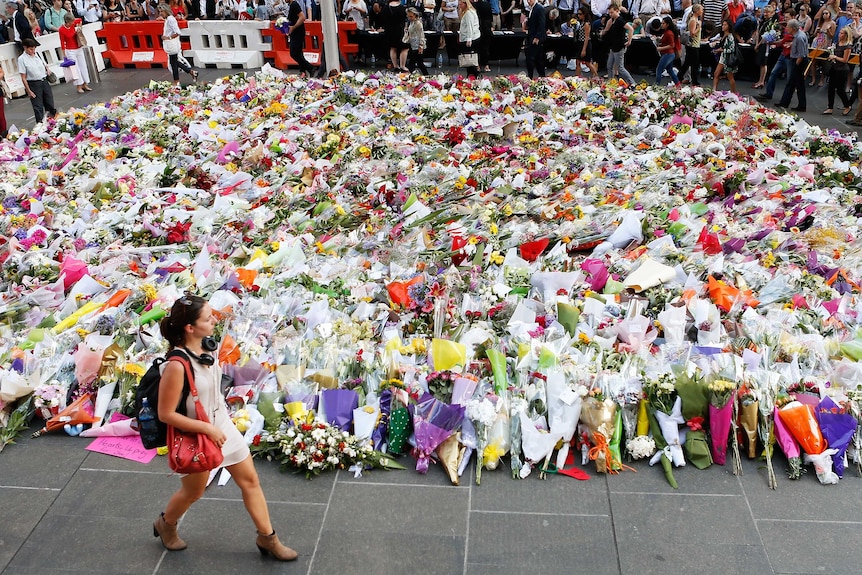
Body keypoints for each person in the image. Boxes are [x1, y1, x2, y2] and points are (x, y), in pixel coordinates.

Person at [152, 294, 297, 562]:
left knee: (250, 481)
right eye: (208, 318)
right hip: (198, 435)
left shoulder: (208, 348)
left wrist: (220, 424)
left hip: (221, 427)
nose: (214, 321)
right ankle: (166, 524)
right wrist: (207, 430)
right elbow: (166, 413)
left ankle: (268, 538)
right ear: (190, 328)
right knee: (193, 492)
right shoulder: (176, 366)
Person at [158, 3, 198, 85]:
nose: (160, 13)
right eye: (160, 11)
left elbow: (177, 32)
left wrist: (168, 37)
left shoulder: (170, 19)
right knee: (174, 62)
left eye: (162, 11)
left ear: (166, 11)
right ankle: (191, 72)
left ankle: (177, 81)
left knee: (174, 63)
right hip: (170, 44)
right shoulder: (168, 19)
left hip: (172, 44)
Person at [18, 37, 56, 123]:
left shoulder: (37, 54)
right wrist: (29, 91)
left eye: (34, 49)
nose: (33, 51)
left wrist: (47, 70)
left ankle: (52, 121)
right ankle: (40, 124)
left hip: (44, 81)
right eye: (31, 49)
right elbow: (23, 77)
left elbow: (44, 64)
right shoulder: (22, 59)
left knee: (49, 103)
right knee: (38, 106)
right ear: (25, 48)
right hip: (33, 83)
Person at [777, 19, 808, 111]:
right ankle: (785, 102)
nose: (786, 28)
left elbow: (801, 54)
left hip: (799, 61)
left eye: (788, 27)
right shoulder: (798, 35)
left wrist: (796, 65)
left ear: (792, 28)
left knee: (796, 83)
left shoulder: (799, 37)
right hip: (797, 59)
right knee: (794, 83)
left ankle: (799, 105)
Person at [602, 3, 635, 84]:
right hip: (613, 46)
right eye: (609, 13)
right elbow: (607, 30)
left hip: (619, 47)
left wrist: (629, 41)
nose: (610, 14)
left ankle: (632, 82)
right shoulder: (613, 20)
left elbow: (631, 29)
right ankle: (611, 82)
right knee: (609, 66)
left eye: (612, 12)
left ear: (617, 11)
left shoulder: (620, 20)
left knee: (620, 68)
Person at [58, 13, 91, 92]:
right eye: (71, 22)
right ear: (67, 21)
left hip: (78, 47)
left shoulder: (73, 24)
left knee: (83, 66)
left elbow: (80, 20)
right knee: (75, 69)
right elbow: (62, 42)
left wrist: (79, 27)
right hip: (70, 50)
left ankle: (85, 84)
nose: (73, 23)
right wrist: (64, 55)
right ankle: (78, 86)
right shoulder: (61, 30)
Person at [823, 25, 853, 113]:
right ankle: (830, 107)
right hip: (834, 68)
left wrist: (835, 57)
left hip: (842, 70)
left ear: (846, 35)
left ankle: (847, 105)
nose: (839, 34)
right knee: (831, 88)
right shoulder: (837, 43)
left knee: (840, 90)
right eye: (839, 33)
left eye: (841, 33)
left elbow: (845, 60)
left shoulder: (847, 46)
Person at [752, 3, 779, 89]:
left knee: (763, 63)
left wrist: (758, 44)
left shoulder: (771, 23)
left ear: (772, 13)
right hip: (760, 42)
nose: (765, 14)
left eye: (768, 12)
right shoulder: (762, 21)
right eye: (765, 12)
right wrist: (756, 43)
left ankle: (762, 81)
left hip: (765, 44)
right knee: (761, 63)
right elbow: (758, 31)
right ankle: (760, 80)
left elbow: (766, 36)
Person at [286, 0, 315, 74]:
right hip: (296, 31)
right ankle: (303, 71)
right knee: (299, 53)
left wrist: (294, 27)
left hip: (297, 32)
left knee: (294, 53)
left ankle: (310, 67)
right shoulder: (292, 5)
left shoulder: (294, 5)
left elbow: (302, 17)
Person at [677, 3, 702, 84]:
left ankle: (679, 77)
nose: (702, 11)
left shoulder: (696, 20)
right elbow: (692, 33)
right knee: (693, 64)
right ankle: (694, 81)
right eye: (701, 10)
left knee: (688, 63)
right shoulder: (693, 20)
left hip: (695, 44)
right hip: (692, 45)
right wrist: (699, 27)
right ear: (697, 11)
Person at [712, 18, 739, 91]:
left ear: (729, 26)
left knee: (730, 77)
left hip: (728, 58)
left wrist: (721, 50)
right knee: (716, 74)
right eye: (723, 25)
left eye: (725, 25)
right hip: (722, 57)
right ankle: (714, 90)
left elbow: (732, 49)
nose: (723, 26)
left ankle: (734, 92)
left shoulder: (730, 37)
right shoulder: (723, 35)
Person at [573, 7, 599, 77]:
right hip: (581, 43)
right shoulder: (581, 23)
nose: (579, 16)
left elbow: (587, 37)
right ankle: (577, 76)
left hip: (585, 44)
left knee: (587, 62)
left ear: (584, 14)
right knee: (578, 61)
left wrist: (584, 49)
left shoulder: (586, 24)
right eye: (578, 14)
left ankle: (596, 76)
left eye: (580, 14)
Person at [655, 14, 681, 85]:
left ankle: (657, 85)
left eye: (663, 23)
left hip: (668, 54)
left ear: (667, 24)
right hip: (669, 53)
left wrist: (661, 48)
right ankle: (678, 84)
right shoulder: (667, 32)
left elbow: (672, 45)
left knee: (659, 69)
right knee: (670, 70)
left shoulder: (669, 33)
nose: (662, 25)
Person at [523, 0, 545, 78]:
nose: (529, 1)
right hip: (531, 35)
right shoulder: (532, 9)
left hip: (535, 37)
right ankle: (541, 76)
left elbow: (541, 24)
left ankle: (531, 76)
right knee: (538, 58)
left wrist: (537, 37)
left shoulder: (539, 8)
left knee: (530, 58)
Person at [386, 0, 409, 71]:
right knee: (405, 48)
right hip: (400, 29)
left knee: (393, 48)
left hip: (389, 30)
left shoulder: (386, 7)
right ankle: (402, 66)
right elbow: (405, 18)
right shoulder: (402, 8)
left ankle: (395, 66)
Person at [458, 0, 480, 74]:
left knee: (470, 60)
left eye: (461, 4)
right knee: (470, 60)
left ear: (465, 4)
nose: (459, 6)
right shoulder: (471, 11)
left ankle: (474, 75)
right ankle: (471, 75)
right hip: (473, 37)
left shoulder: (468, 13)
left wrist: (469, 39)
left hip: (470, 38)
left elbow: (470, 27)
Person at [405, 6, 428, 72]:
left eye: (411, 16)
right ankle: (426, 76)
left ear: (415, 15)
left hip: (418, 46)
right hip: (413, 45)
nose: (409, 18)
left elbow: (421, 35)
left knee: (413, 63)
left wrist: (421, 46)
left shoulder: (418, 23)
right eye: (408, 16)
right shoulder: (411, 23)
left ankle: (411, 76)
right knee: (419, 63)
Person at [474, 0, 492, 71]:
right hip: (487, 27)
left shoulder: (474, 5)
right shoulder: (487, 4)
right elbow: (490, 16)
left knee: (477, 46)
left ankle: (478, 65)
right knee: (486, 46)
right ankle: (486, 65)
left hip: (478, 26)